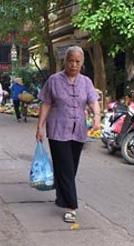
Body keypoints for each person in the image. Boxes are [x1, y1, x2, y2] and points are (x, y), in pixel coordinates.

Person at [36, 46, 101, 223]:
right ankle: (70, 206)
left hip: (78, 130)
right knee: (65, 167)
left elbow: (93, 101)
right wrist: (40, 126)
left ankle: (61, 196)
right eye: (70, 60)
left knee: (70, 168)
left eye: (77, 61)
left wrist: (97, 117)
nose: (73, 64)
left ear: (82, 63)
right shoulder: (54, 80)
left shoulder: (86, 82)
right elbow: (46, 104)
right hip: (57, 129)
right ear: (65, 61)